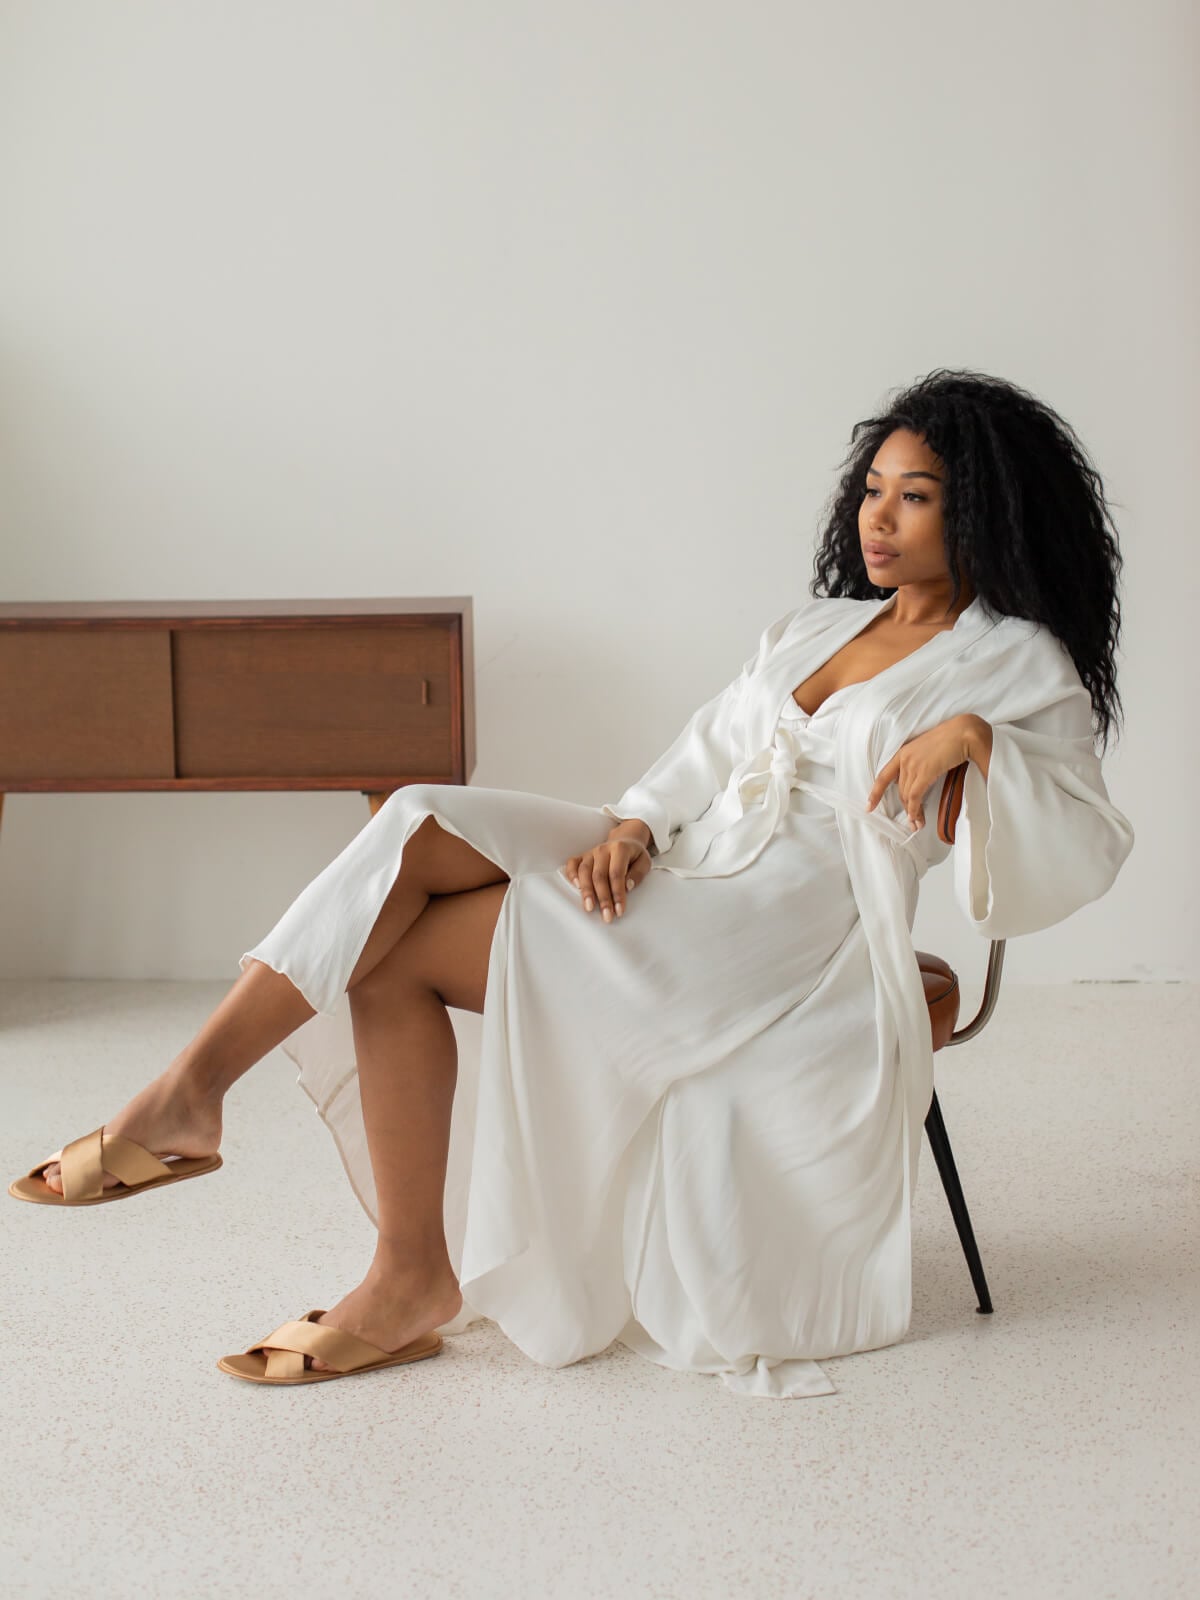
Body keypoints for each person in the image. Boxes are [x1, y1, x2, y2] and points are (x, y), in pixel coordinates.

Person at [10, 368, 1135, 1398]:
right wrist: (637, 824)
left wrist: (981, 741)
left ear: (980, 513)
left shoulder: (1016, 661)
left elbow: (1085, 840)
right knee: (416, 816)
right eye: (873, 490)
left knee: (391, 958)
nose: (877, 519)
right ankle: (194, 1095)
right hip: (687, 856)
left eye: (916, 498)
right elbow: (707, 749)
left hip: (780, 921)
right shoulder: (814, 627)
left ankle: (398, 1273)